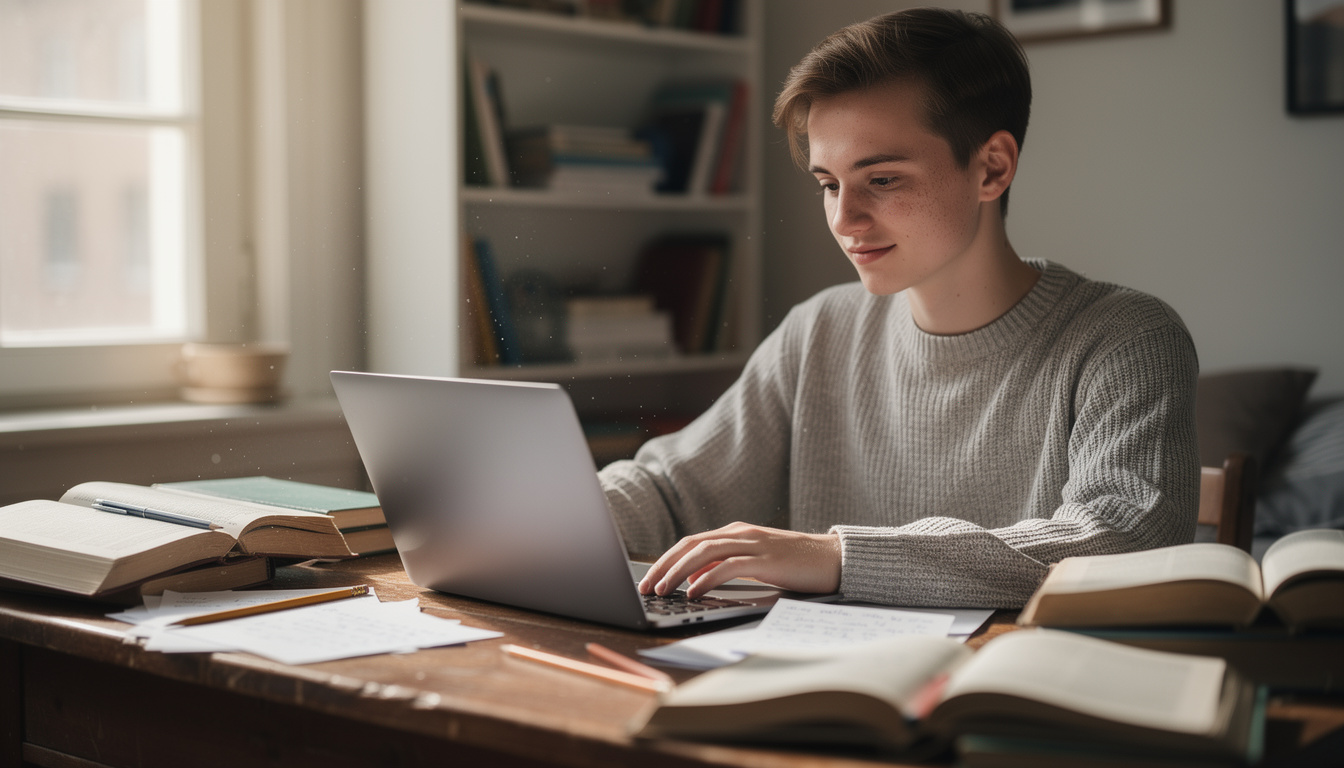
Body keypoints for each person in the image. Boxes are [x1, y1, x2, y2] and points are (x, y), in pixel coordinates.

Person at [598, 7, 1199, 608]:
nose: (844, 219)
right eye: (829, 183)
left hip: (1013, 687)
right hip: (823, 681)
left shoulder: (1125, 338)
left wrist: (837, 557)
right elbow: (671, 491)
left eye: (881, 179)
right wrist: (547, 519)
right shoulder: (819, 330)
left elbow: (1122, 537)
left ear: (992, 168)